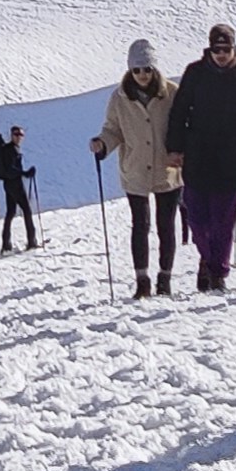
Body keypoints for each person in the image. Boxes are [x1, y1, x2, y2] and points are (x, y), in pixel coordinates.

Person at [163, 25, 236, 292]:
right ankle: (207, 259)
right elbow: (179, 111)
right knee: (197, 218)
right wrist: (174, 148)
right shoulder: (195, 73)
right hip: (198, 151)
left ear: (234, 49)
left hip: (231, 153)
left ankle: (218, 271)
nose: (221, 54)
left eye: (226, 49)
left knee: (223, 219)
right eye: (216, 49)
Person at [93, 38, 183, 298]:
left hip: (167, 169)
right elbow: (113, 130)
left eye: (147, 69)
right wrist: (102, 144)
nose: (142, 75)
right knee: (140, 224)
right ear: (129, 70)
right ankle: (142, 281)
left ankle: (164, 279)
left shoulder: (171, 93)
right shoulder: (119, 97)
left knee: (166, 225)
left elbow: (183, 126)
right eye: (137, 70)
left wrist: (182, 152)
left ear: (154, 68)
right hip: (134, 170)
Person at [0, 125, 39, 252]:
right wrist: (25, 173)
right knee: (26, 211)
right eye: (16, 135)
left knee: (11, 212)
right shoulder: (11, 150)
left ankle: (6, 244)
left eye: (20, 135)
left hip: (9, 184)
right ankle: (31, 241)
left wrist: (23, 173)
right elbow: (11, 169)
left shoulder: (8, 149)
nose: (19, 137)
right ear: (11, 135)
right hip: (14, 184)